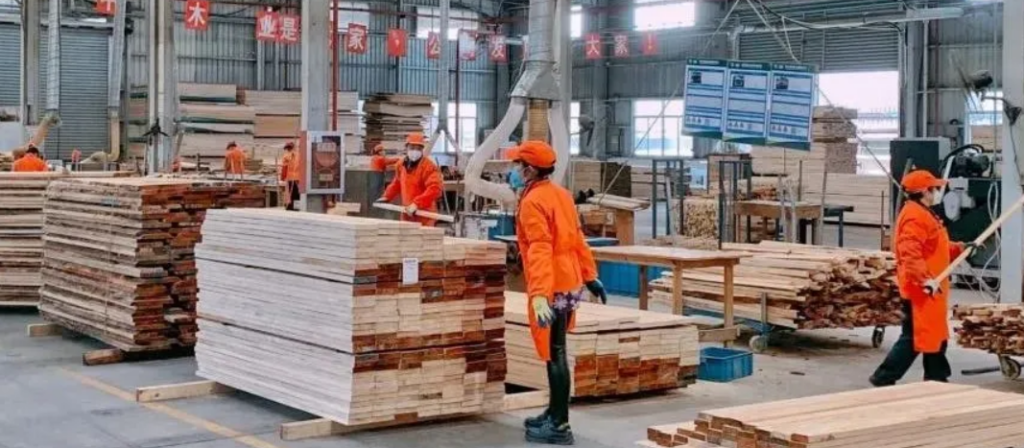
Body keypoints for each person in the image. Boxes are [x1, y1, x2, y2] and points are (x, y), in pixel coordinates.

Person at [511, 141, 606, 445]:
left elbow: (540, 249)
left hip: (550, 286)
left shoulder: (533, 202)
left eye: (518, 165)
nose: (514, 171)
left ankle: (560, 425)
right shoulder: (561, 195)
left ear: (529, 169)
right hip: (569, 282)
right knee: (557, 349)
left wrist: (539, 294)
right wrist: (590, 277)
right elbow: (578, 239)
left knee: (556, 354)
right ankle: (553, 412)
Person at [869, 170, 975, 386]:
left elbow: (936, 247)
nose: (938, 192)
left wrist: (961, 248)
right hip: (922, 289)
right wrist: (924, 279)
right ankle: (884, 376)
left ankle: (937, 377)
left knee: (935, 335)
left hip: (932, 287)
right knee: (915, 338)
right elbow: (910, 253)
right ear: (925, 192)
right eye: (935, 188)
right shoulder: (915, 217)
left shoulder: (924, 213)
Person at [376, 133, 442, 226]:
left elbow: (435, 189)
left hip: (425, 215)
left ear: (422, 150)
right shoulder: (401, 165)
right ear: (406, 148)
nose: (415, 151)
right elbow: (397, 183)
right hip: (407, 213)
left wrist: (416, 204)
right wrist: (387, 196)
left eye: (418, 148)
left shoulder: (429, 167)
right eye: (412, 147)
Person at [279, 142, 301, 211]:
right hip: (299, 178)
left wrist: (282, 178)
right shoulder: (299, 155)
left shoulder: (286, 156)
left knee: (290, 194)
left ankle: (290, 207)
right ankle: (297, 207)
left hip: (291, 178)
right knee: (297, 194)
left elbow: (284, 168)